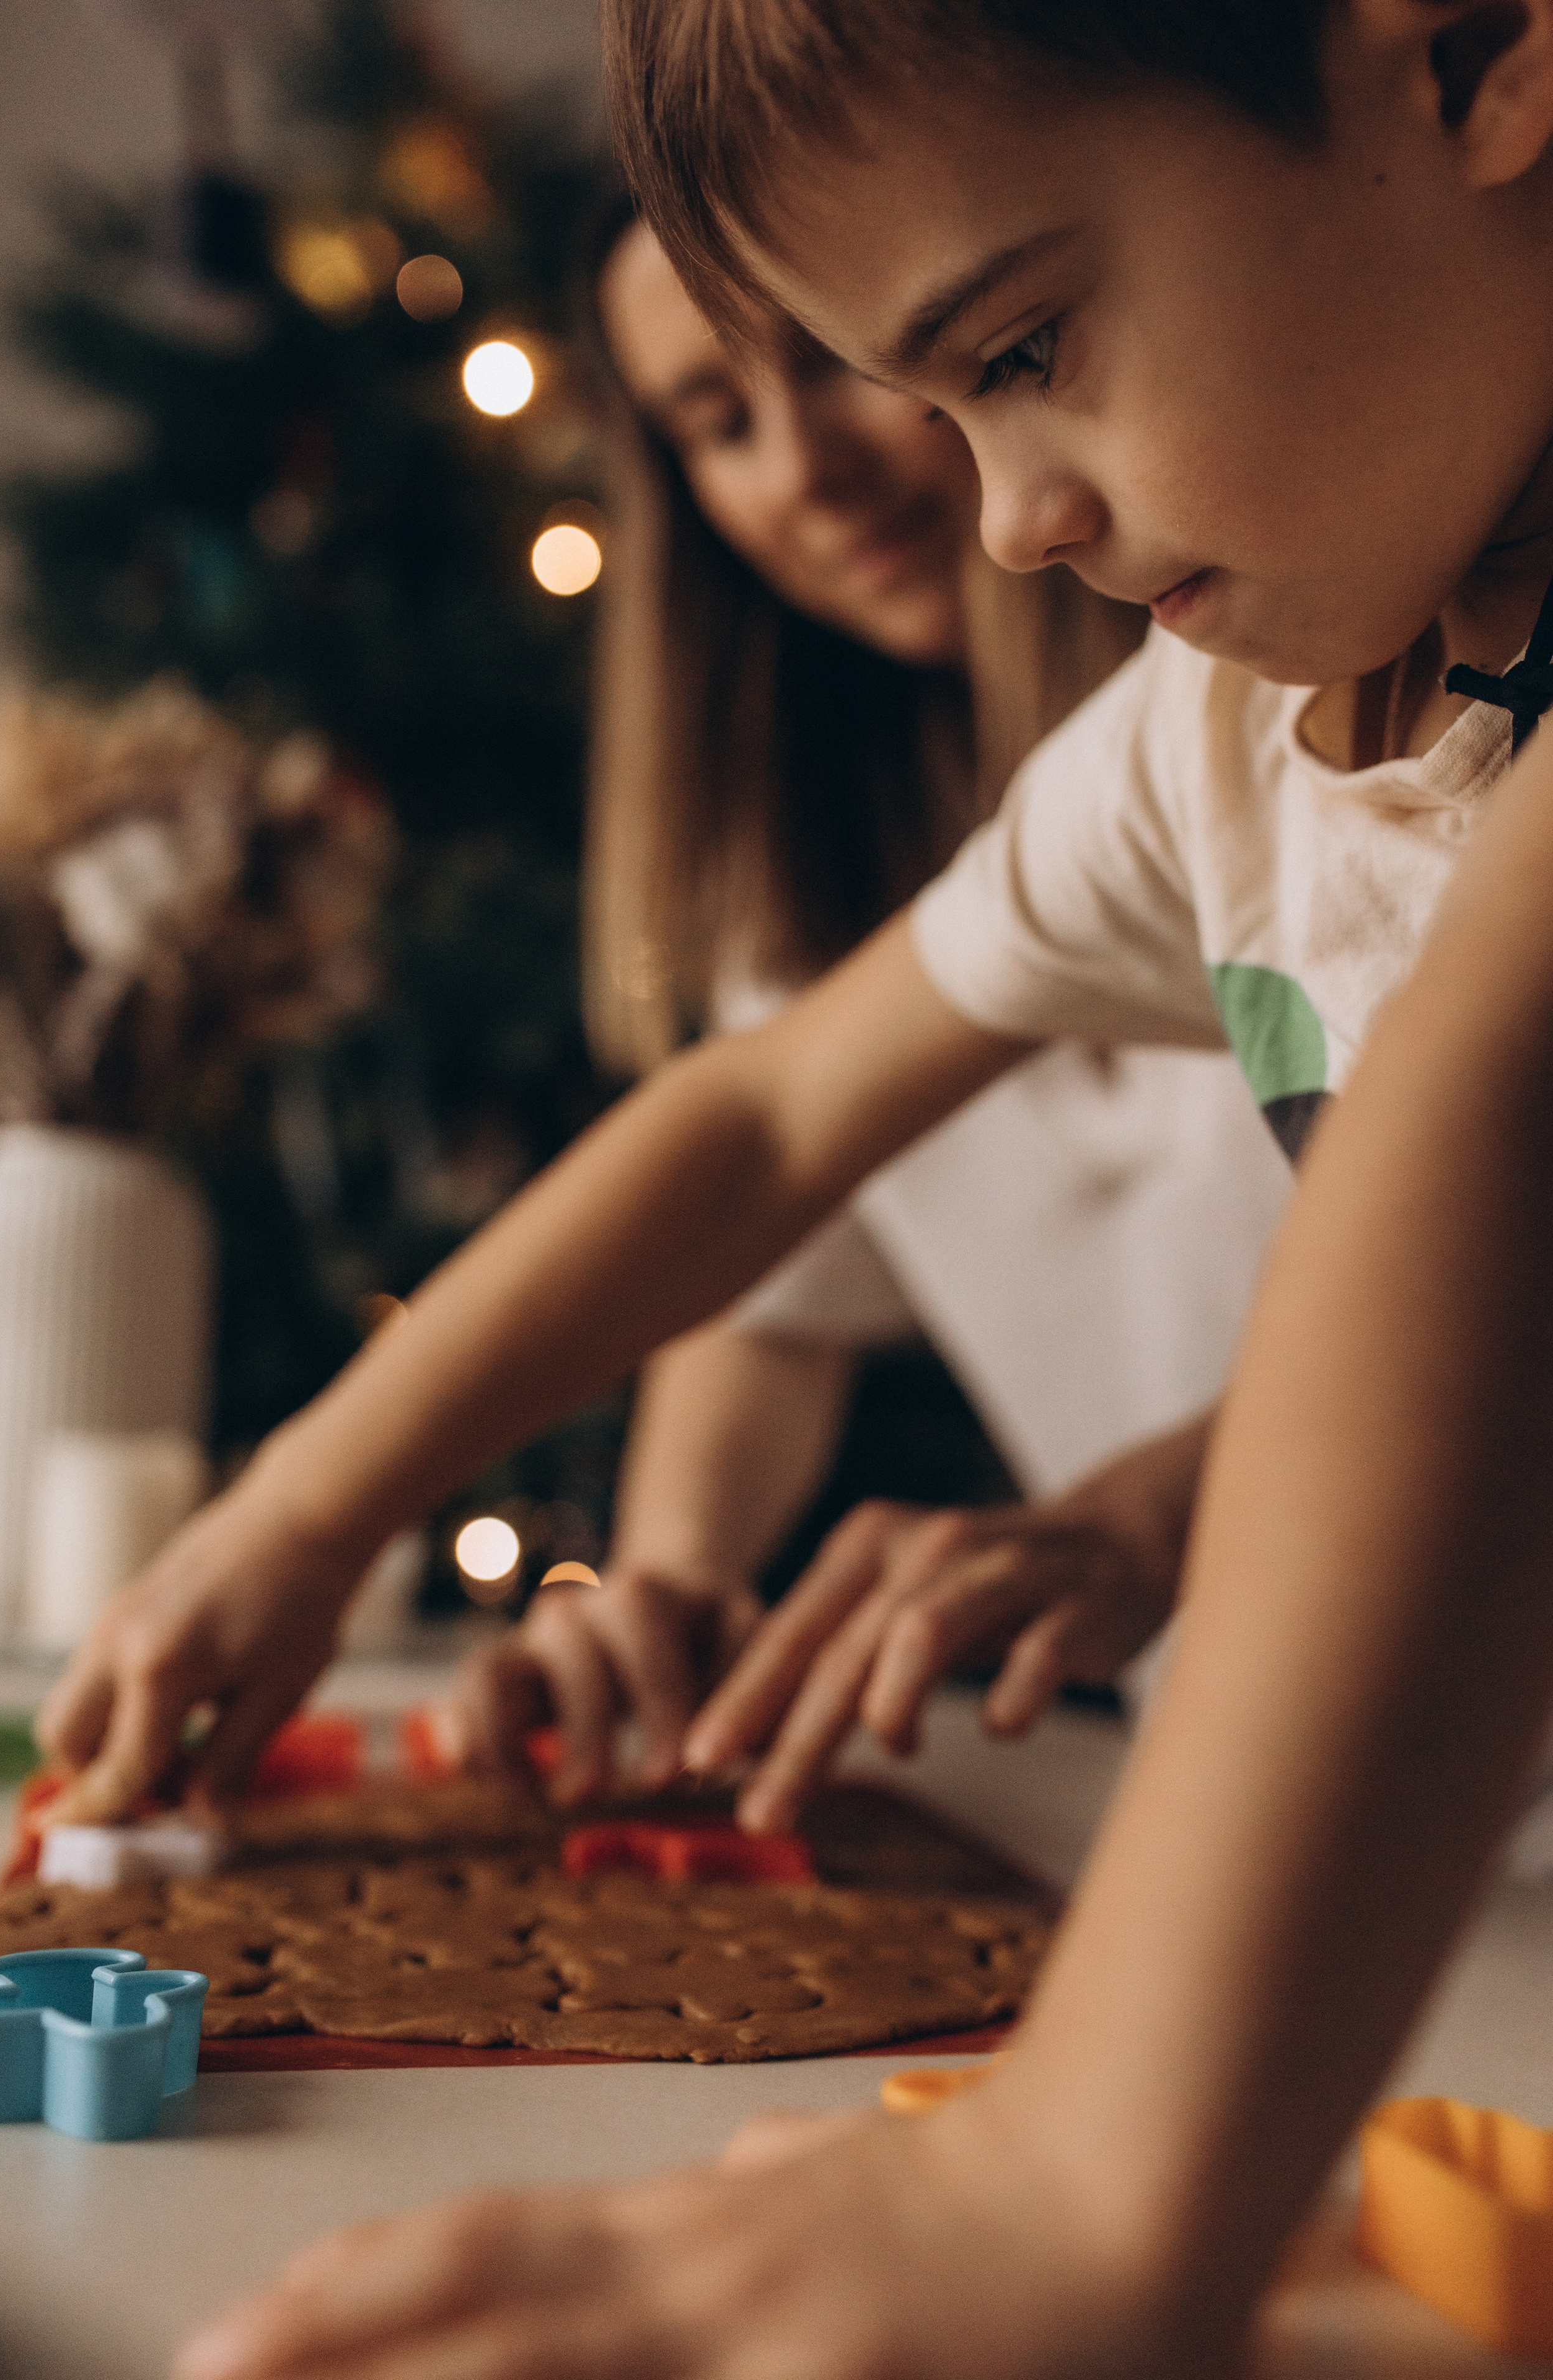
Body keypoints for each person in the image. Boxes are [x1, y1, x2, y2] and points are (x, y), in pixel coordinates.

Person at [51, 0, 1553, 2369]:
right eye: (948, 405)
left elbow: (1494, 1134)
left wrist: (1077, 2186)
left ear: (1470, 51)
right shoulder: (1219, 745)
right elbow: (763, 1117)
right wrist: (306, 1508)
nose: (1006, 515)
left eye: (1032, 342)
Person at [429, 205, 1289, 1809]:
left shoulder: (1308, 716)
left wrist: (1156, 1514)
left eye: (830, 364)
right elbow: (773, 1281)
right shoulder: (822, 891)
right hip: (1239, 1801)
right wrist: (665, 1584)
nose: (804, 469)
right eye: (718, 422)